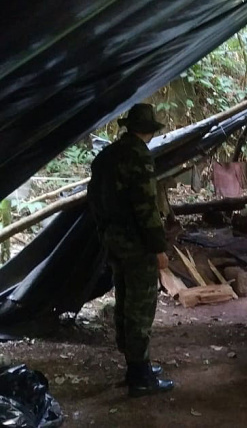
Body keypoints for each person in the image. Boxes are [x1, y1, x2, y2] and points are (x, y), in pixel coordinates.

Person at [88, 103, 174, 397]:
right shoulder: (139, 157)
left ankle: (135, 365)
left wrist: (105, 232)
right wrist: (158, 247)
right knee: (140, 304)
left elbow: (94, 198)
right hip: (137, 244)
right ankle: (140, 374)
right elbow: (146, 208)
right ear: (149, 131)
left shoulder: (106, 156)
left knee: (124, 297)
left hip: (113, 240)